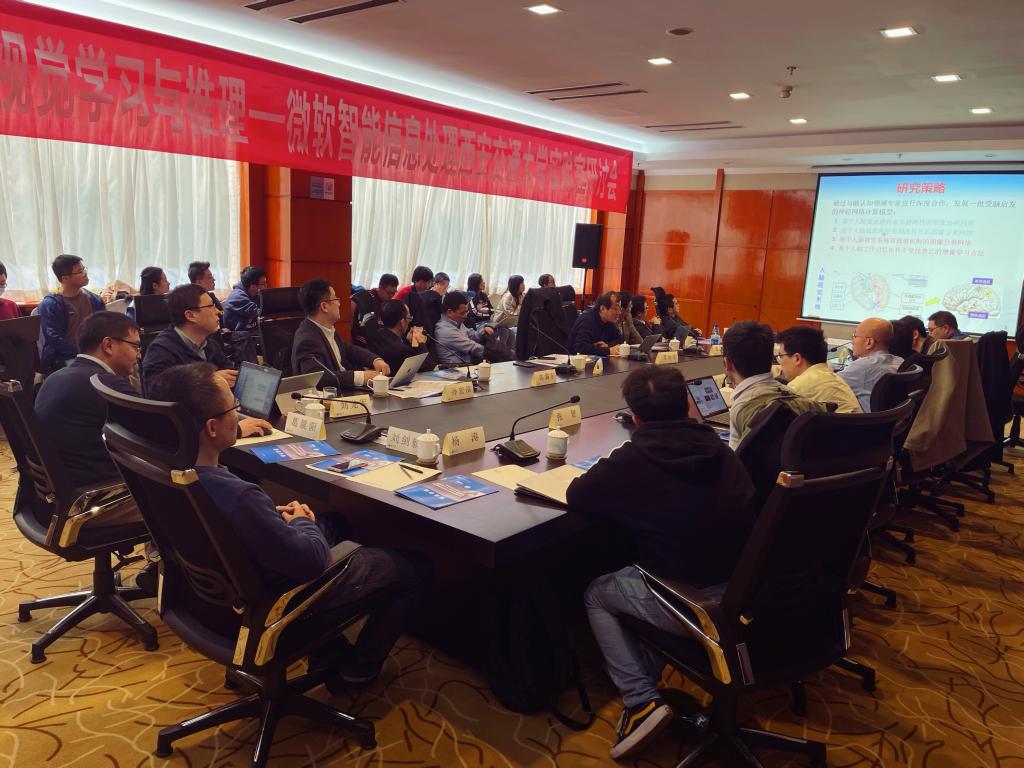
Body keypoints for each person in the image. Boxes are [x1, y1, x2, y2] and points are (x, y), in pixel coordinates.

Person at [147, 361, 431, 686]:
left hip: (208, 602)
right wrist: (301, 524)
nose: (238, 415)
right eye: (234, 408)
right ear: (212, 428)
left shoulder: (164, 473)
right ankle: (355, 673)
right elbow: (310, 561)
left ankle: (325, 653)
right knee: (416, 567)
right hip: (270, 603)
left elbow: (232, 526)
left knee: (337, 523)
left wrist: (273, 518)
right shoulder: (238, 496)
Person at [569, 366, 755, 760]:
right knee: (635, 567)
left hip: (692, 604)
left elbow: (577, 495)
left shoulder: (633, 459)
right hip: (745, 591)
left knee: (597, 592)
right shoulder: (723, 451)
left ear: (635, 419)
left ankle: (640, 701)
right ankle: (647, 669)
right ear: (687, 405)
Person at [35, 311, 144, 491]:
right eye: (135, 346)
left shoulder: (55, 377)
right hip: (101, 487)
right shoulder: (106, 385)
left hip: (60, 488)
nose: (139, 355)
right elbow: (154, 439)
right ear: (108, 345)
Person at [723, 320, 822, 449]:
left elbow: (735, 459)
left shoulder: (743, 406)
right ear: (771, 359)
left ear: (727, 363)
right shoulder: (791, 394)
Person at [142, 284, 242, 394]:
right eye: (210, 306)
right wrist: (209, 381)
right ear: (190, 315)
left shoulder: (209, 344)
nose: (217, 311)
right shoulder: (161, 350)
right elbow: (157, 392)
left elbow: (228, 372)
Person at [292, 278, 389, 389]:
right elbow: (317, 377)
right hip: (331, 395)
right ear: (324, 306)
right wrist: (361, 377)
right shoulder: (307, 339)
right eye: (335, 299)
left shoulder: (325, 329)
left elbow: (347, 349)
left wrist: (375, 360)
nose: (339, 303)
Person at [39, 254, 107, 373]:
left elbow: (105, 328)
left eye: (84, 269)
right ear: (65, 278)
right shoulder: (51, 304)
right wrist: (82, 352)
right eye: (80, 271)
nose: (85, 273)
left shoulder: (94, 300)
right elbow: (54, 338)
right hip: (64, 357)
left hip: (93, 355)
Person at [776, 325, 861, 414]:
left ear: (797, 358)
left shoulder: (798, 387)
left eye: (780, 356)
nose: (780, 362)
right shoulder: (834, 379)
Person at [837, 317, 904, 413]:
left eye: (855, 336)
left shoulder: (862, 367)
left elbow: (823, 385)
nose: (852, 341)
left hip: (861, 420)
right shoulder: (900, 361)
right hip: (890, 419)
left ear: (869, 342)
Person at [372, 299, 433, 373]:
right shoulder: (402, 350)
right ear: (402, 322)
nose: (409, 321)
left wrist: (409, 341)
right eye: (409, 318)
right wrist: (421, 344)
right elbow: (428, 368)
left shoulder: (376, 335)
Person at [434, 291, 494, 366]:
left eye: (467, 312)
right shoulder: (445, 330)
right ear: (450, 312)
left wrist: (483, 331)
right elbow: (472, 347)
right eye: (462, 313)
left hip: (467, 364)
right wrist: (494, 352)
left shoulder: (456, 322)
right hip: (455, 369)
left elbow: (471, 336)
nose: (466, 316)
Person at [566, 291, 623, 357]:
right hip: (575, 359)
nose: (619, 313)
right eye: (615, 309)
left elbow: (620, 339)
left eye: (619, 309)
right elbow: (580, 346)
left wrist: (607, 345)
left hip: (595, 359)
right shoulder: (587, 319)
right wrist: (608, 351)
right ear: (602, 308)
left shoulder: (608, 320)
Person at [351, 273, 399, 345]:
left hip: (379, 339)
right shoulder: (366, 299)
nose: (391, 296)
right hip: (364, 341)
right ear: (380, 287)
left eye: (394, 293)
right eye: (389, 293)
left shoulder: (388, 303)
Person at [223, 265, 266, 332]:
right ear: (253, 287)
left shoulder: (254, 294)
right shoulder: (238, 297)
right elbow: (259, 312)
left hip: (250, 331)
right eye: (263, 284)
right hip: (236, 335)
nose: (266, 285)